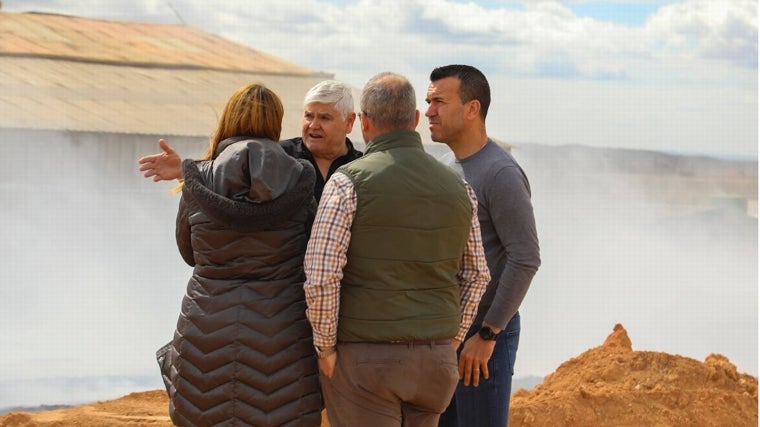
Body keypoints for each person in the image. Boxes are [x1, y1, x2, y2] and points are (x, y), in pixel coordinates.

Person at [303, 71, 491, 427]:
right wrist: (449, 341)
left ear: (364, 123)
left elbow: (322, 274)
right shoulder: (459, 187)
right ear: (416, 120)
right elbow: (478, 274)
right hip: (435, 364)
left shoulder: (347, 183)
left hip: (366, 362)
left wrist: (325, 347)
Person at [163, 82, 322, 426]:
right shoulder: (301, 180)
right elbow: (311, 254)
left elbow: (189, 253)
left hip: (206, 327)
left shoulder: (198, 180)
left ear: (229, 120)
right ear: (276, 123)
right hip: (282, 331)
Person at [426, 65, 541, 427]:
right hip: (446, 337)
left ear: (472, 109)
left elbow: (525, 258)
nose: (429, 111)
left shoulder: (500, 172)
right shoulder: (445, 167)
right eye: (428, 101)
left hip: (484, 340)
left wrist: (488, 334)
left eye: (439, 101)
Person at [138, 80, 362, 203]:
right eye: (308, 116)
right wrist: (184, 171)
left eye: (324, 118)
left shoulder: (362, 169)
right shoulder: (278, 155)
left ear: (349, 122)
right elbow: (228, 179)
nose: (313, 125)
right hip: (284, 280)